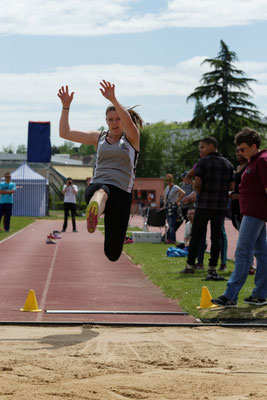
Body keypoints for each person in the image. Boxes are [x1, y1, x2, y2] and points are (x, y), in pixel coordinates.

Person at [57, 80, 143, 261]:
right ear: (106, 121)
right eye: (110, 120)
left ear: (123, 119)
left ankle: (97, 210)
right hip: (98, 185)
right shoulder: (99, 137)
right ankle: (94, 208)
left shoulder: (132, 139)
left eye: (118, 118)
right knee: (103, 190)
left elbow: (128, 122)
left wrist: (113, 98)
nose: (114, 123)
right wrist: (66, 107)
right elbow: (65, 133)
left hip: (122, 194)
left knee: (112, 254)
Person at [212, 128, 267, 307]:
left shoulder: (263, 161)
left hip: (255, 213)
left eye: (243, 149)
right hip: (251, 212)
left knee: (242, 253)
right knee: (262, 253)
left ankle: (230, 295)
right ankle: (260, 295)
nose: (240, 152)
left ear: (254, 146)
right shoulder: (253, 161)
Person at [180, 137, 234, 276]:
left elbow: (197, 183)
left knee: (196, 235)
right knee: (216, 237)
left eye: (202, 147)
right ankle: (212, 267)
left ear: (211, 146)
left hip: (204, 204)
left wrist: (199, 192)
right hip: (220, 206)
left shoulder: (202, 163)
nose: (200, 152)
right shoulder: (228, 164)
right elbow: (231, 187)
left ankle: (190, 265)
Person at [164, 173, 185, 244]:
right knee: (170, 224)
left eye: (169, 179)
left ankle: (172, 239)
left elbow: (183, 193)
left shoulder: (175, 187)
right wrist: (164, 205)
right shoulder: (167, 188)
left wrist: (177, 201)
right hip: (168, 207)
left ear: (172, 179)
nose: (168, 181)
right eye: (166, 179)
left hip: (173, 207)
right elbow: (165, 198)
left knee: (172, 224)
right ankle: (172, 239)